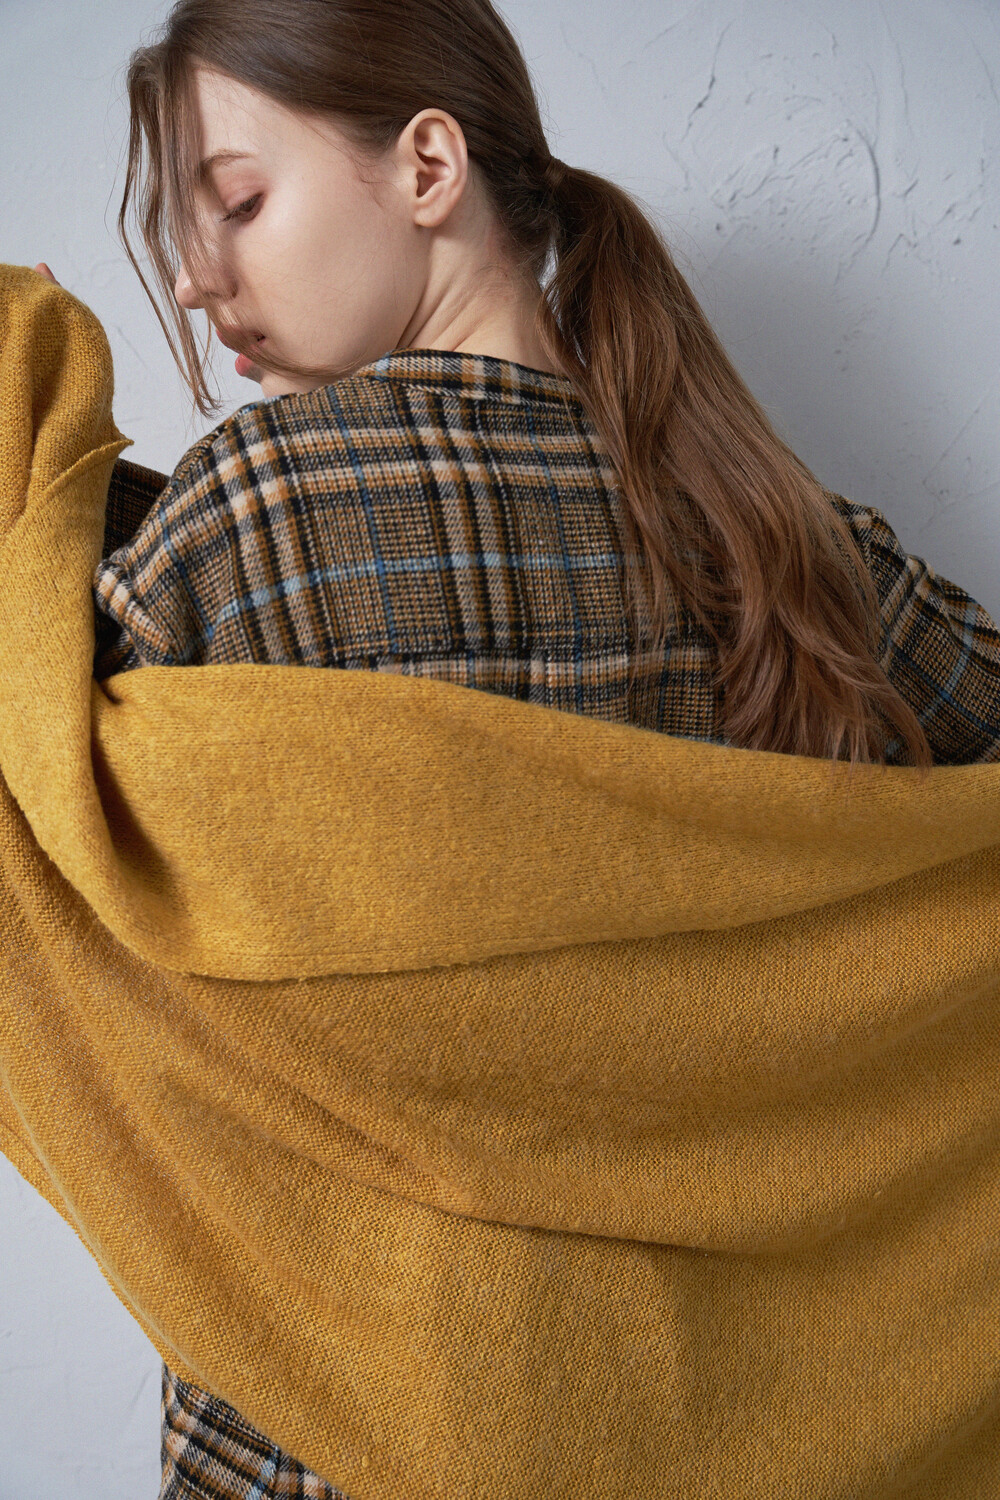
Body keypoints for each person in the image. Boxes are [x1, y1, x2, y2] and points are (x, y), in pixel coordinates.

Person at [33, 0, 1000, 1494]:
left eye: (239, 202)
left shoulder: (247, 523)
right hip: (732, 1437)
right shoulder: (780, 536)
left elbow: (38, 817)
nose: (193, 277)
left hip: (329, 1447)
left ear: (429, 167)